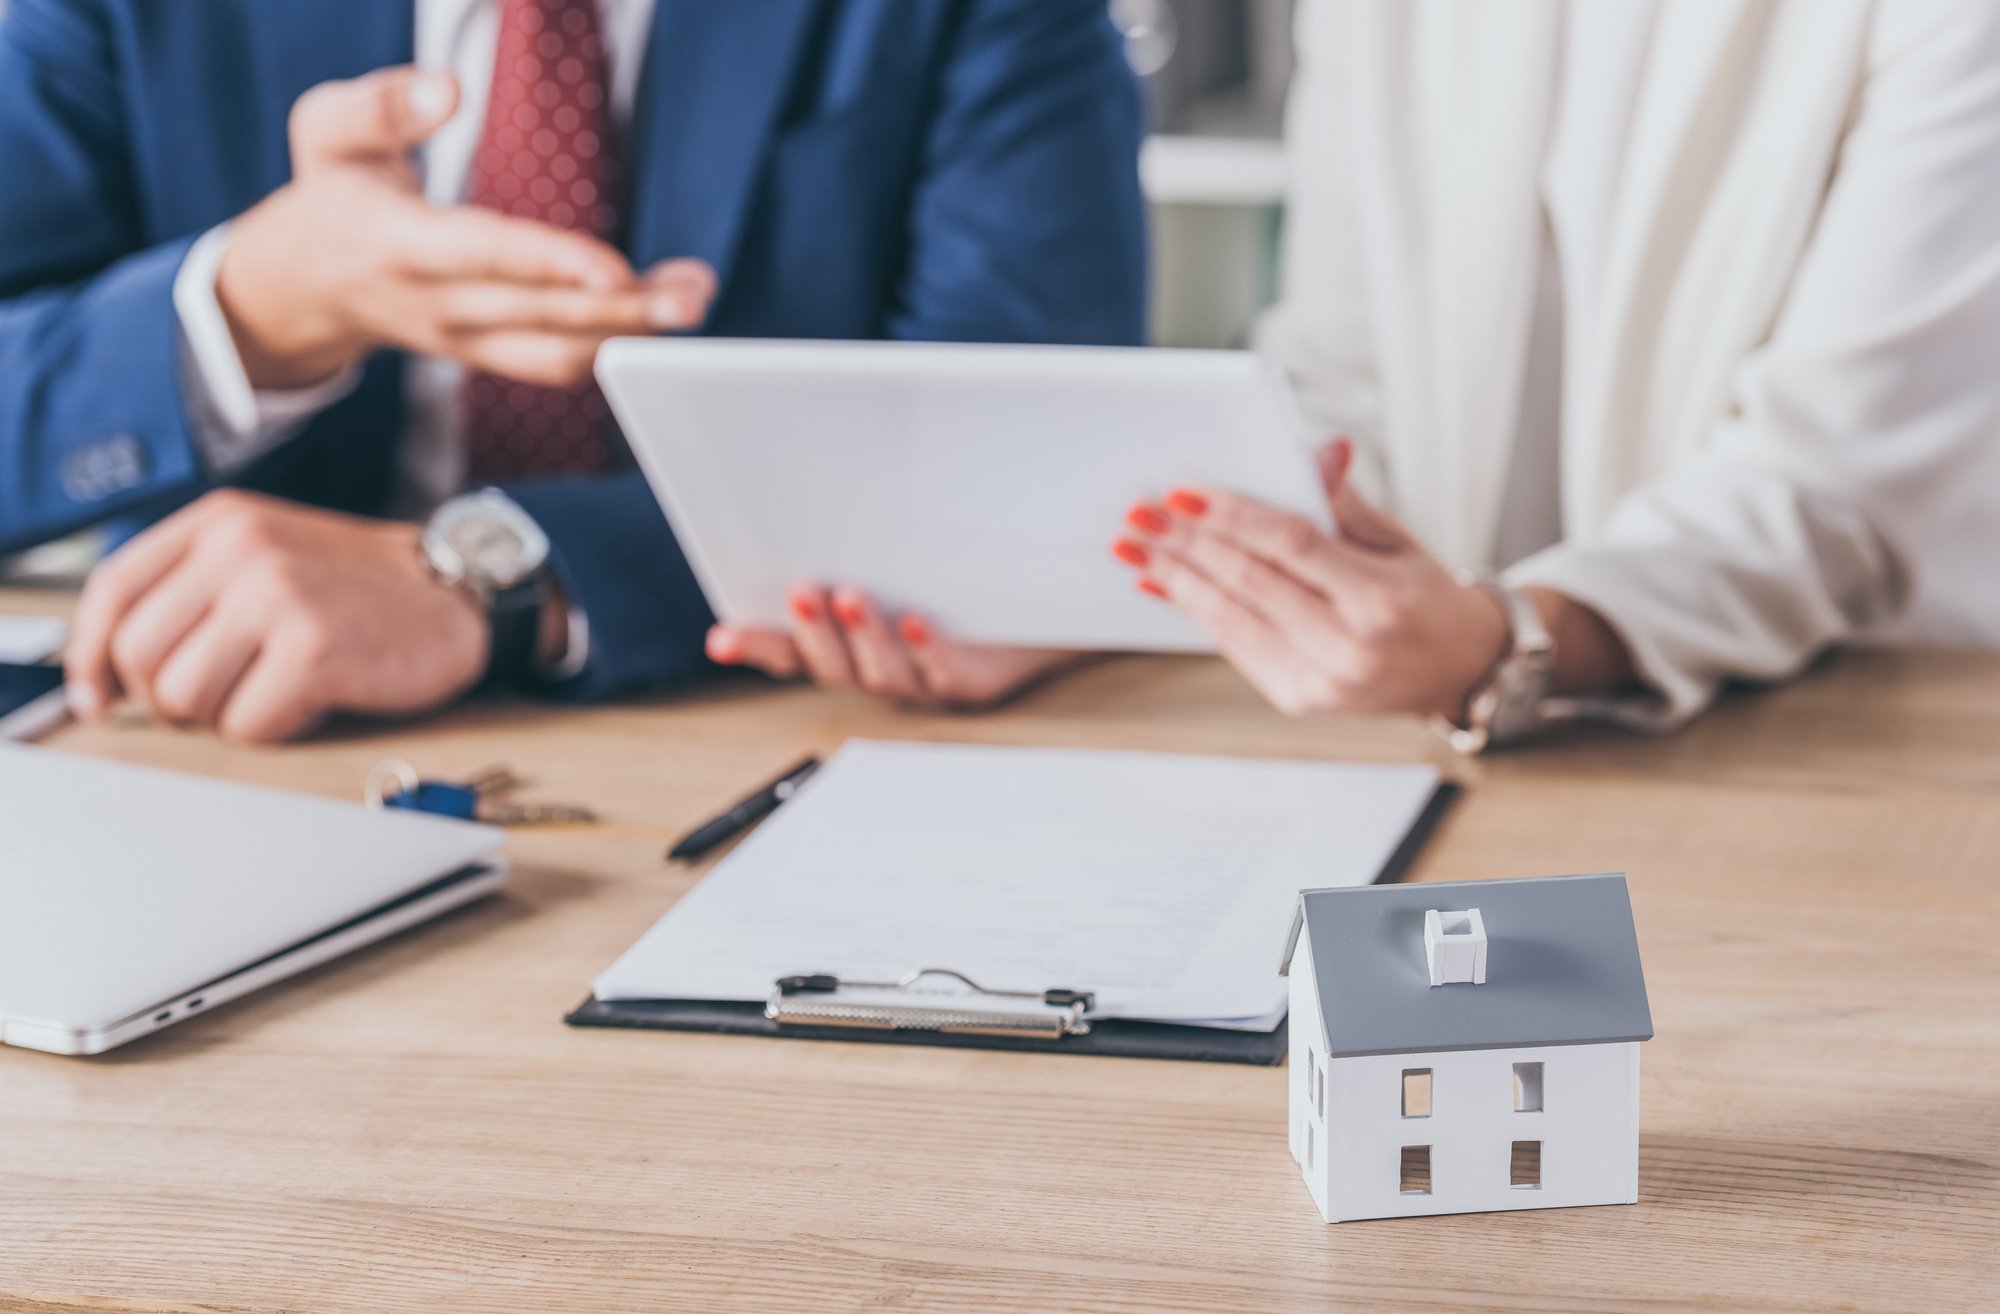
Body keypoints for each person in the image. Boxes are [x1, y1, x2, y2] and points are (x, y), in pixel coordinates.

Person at [0, 0, 1144, 741]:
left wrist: (499, 577)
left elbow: (1025, 451)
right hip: (221, 731)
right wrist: (252, 307)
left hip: (771, 731)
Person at [1086, 0, 2000, 746]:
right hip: (1471, 726)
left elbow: (1827, 485)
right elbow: (1338, 360)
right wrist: (1103, 597)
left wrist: (1508, 639)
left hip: (1853, 717)